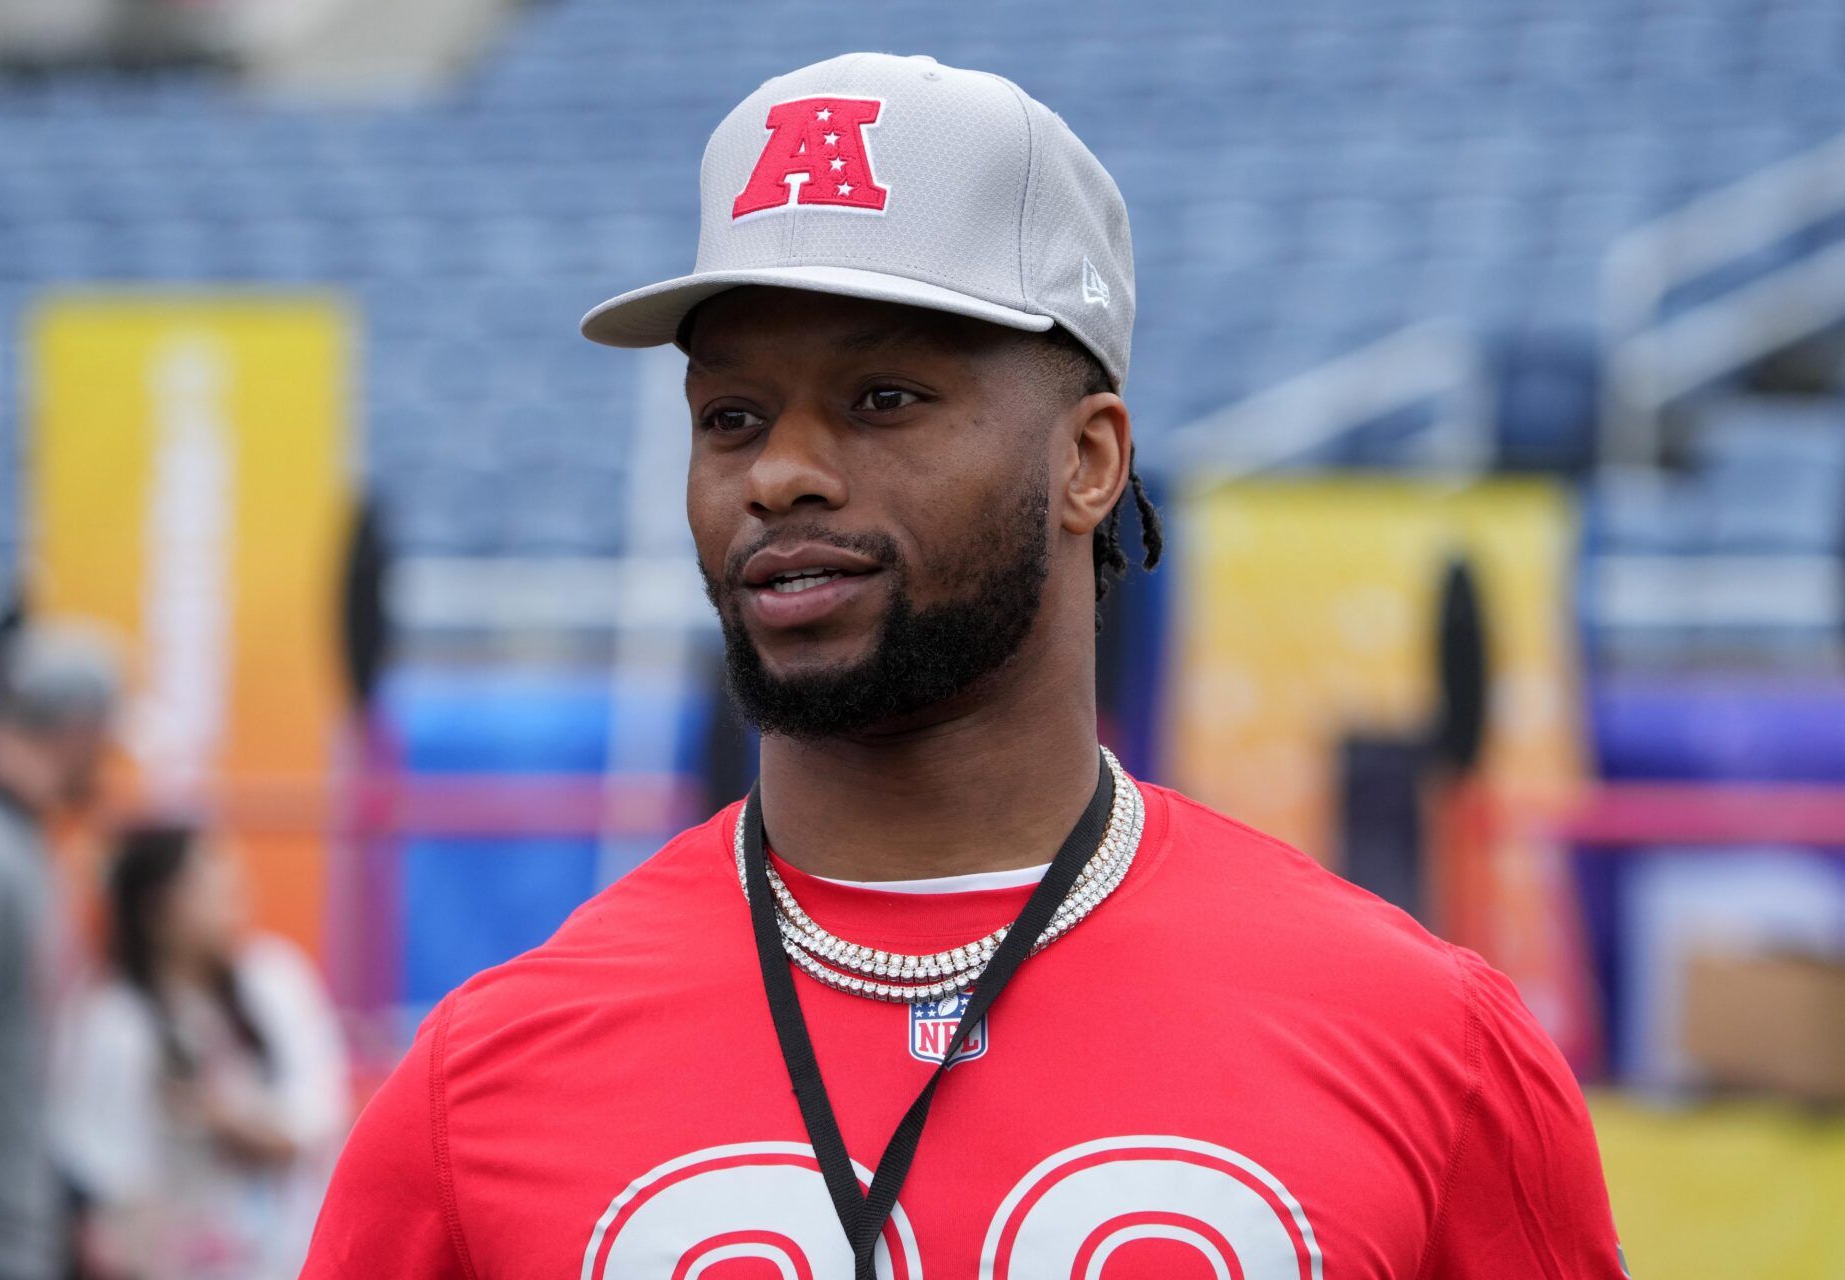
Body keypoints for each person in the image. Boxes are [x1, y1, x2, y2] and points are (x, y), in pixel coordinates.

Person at [301, 52, 1627, 1278]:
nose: (781, 474)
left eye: (884, 399)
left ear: (1090, 461)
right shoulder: (482, 1088)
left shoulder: (1428, 1049)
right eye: (731, 416)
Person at [53, 824, 348, 1280]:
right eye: (209, 888)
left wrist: (235, 1123)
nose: (234, 899)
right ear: (157, 909)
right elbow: (98, 1165)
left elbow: (318, 1115)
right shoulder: (113, 1018)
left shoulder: (274, 981)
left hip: (278, 1257)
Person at [0, 623, 119, 1280]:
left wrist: (74, 1203)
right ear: (74, 728)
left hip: (7, 1241)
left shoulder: (19, 847)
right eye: (103, 739)